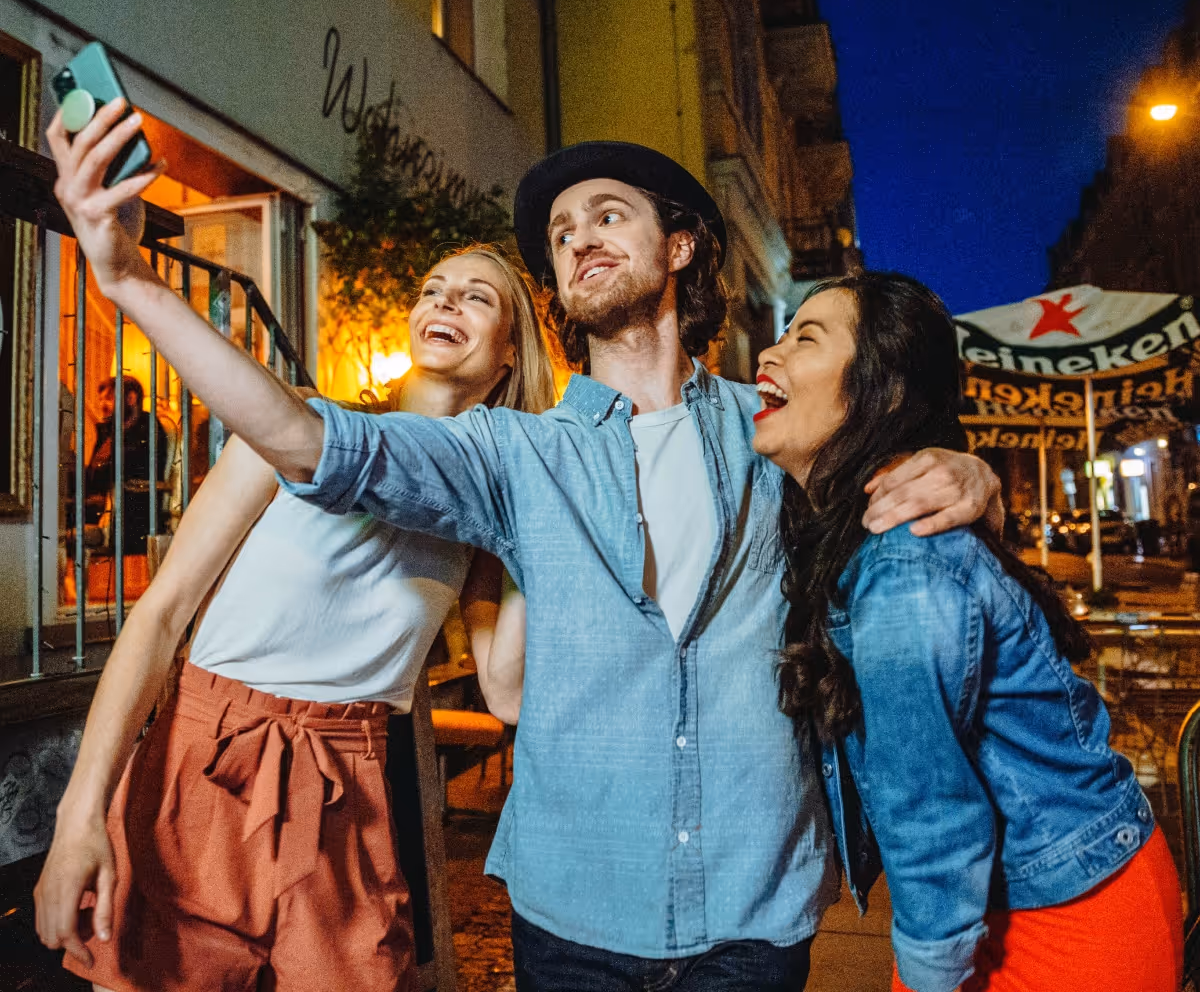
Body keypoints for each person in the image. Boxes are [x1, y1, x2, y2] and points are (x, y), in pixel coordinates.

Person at [48, 97, 1003, 991]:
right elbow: (311, 440)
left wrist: (971, 477)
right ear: (553, 288)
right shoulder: (516, 456)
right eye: (561, 233)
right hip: (572, 913)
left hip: (755, 906)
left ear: (678, 247)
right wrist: (128, 282)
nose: (579, 234)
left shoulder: (772, 425)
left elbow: (890, 453)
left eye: (607, 215)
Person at [34, 242, 556, 992]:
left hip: (348, 786)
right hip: (205, 760)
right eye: (433, 287)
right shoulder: (295, 426)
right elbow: (161, 614)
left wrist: (537, 527)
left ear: (510, 354)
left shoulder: (481, 512)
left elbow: (505, 691)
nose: (444, 302)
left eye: (478, 297)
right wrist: (79, 817)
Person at [753, 271, 1183, 992]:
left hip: (1069, 913)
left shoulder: (901, 561)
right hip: (1001, 896)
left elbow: (929, 809)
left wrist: (928, 974)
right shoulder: (850, 531)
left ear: (879, 392)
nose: (770, 351)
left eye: (806, 337)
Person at [83, 375, 170, 558]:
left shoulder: (148, 426)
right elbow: (94, 479)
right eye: (101, 400)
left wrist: (110, 442)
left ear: (130, 398)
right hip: (111, 507)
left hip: (136, 516)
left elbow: (125, 466)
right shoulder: (112, 429)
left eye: (110, 398)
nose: (103, 405)